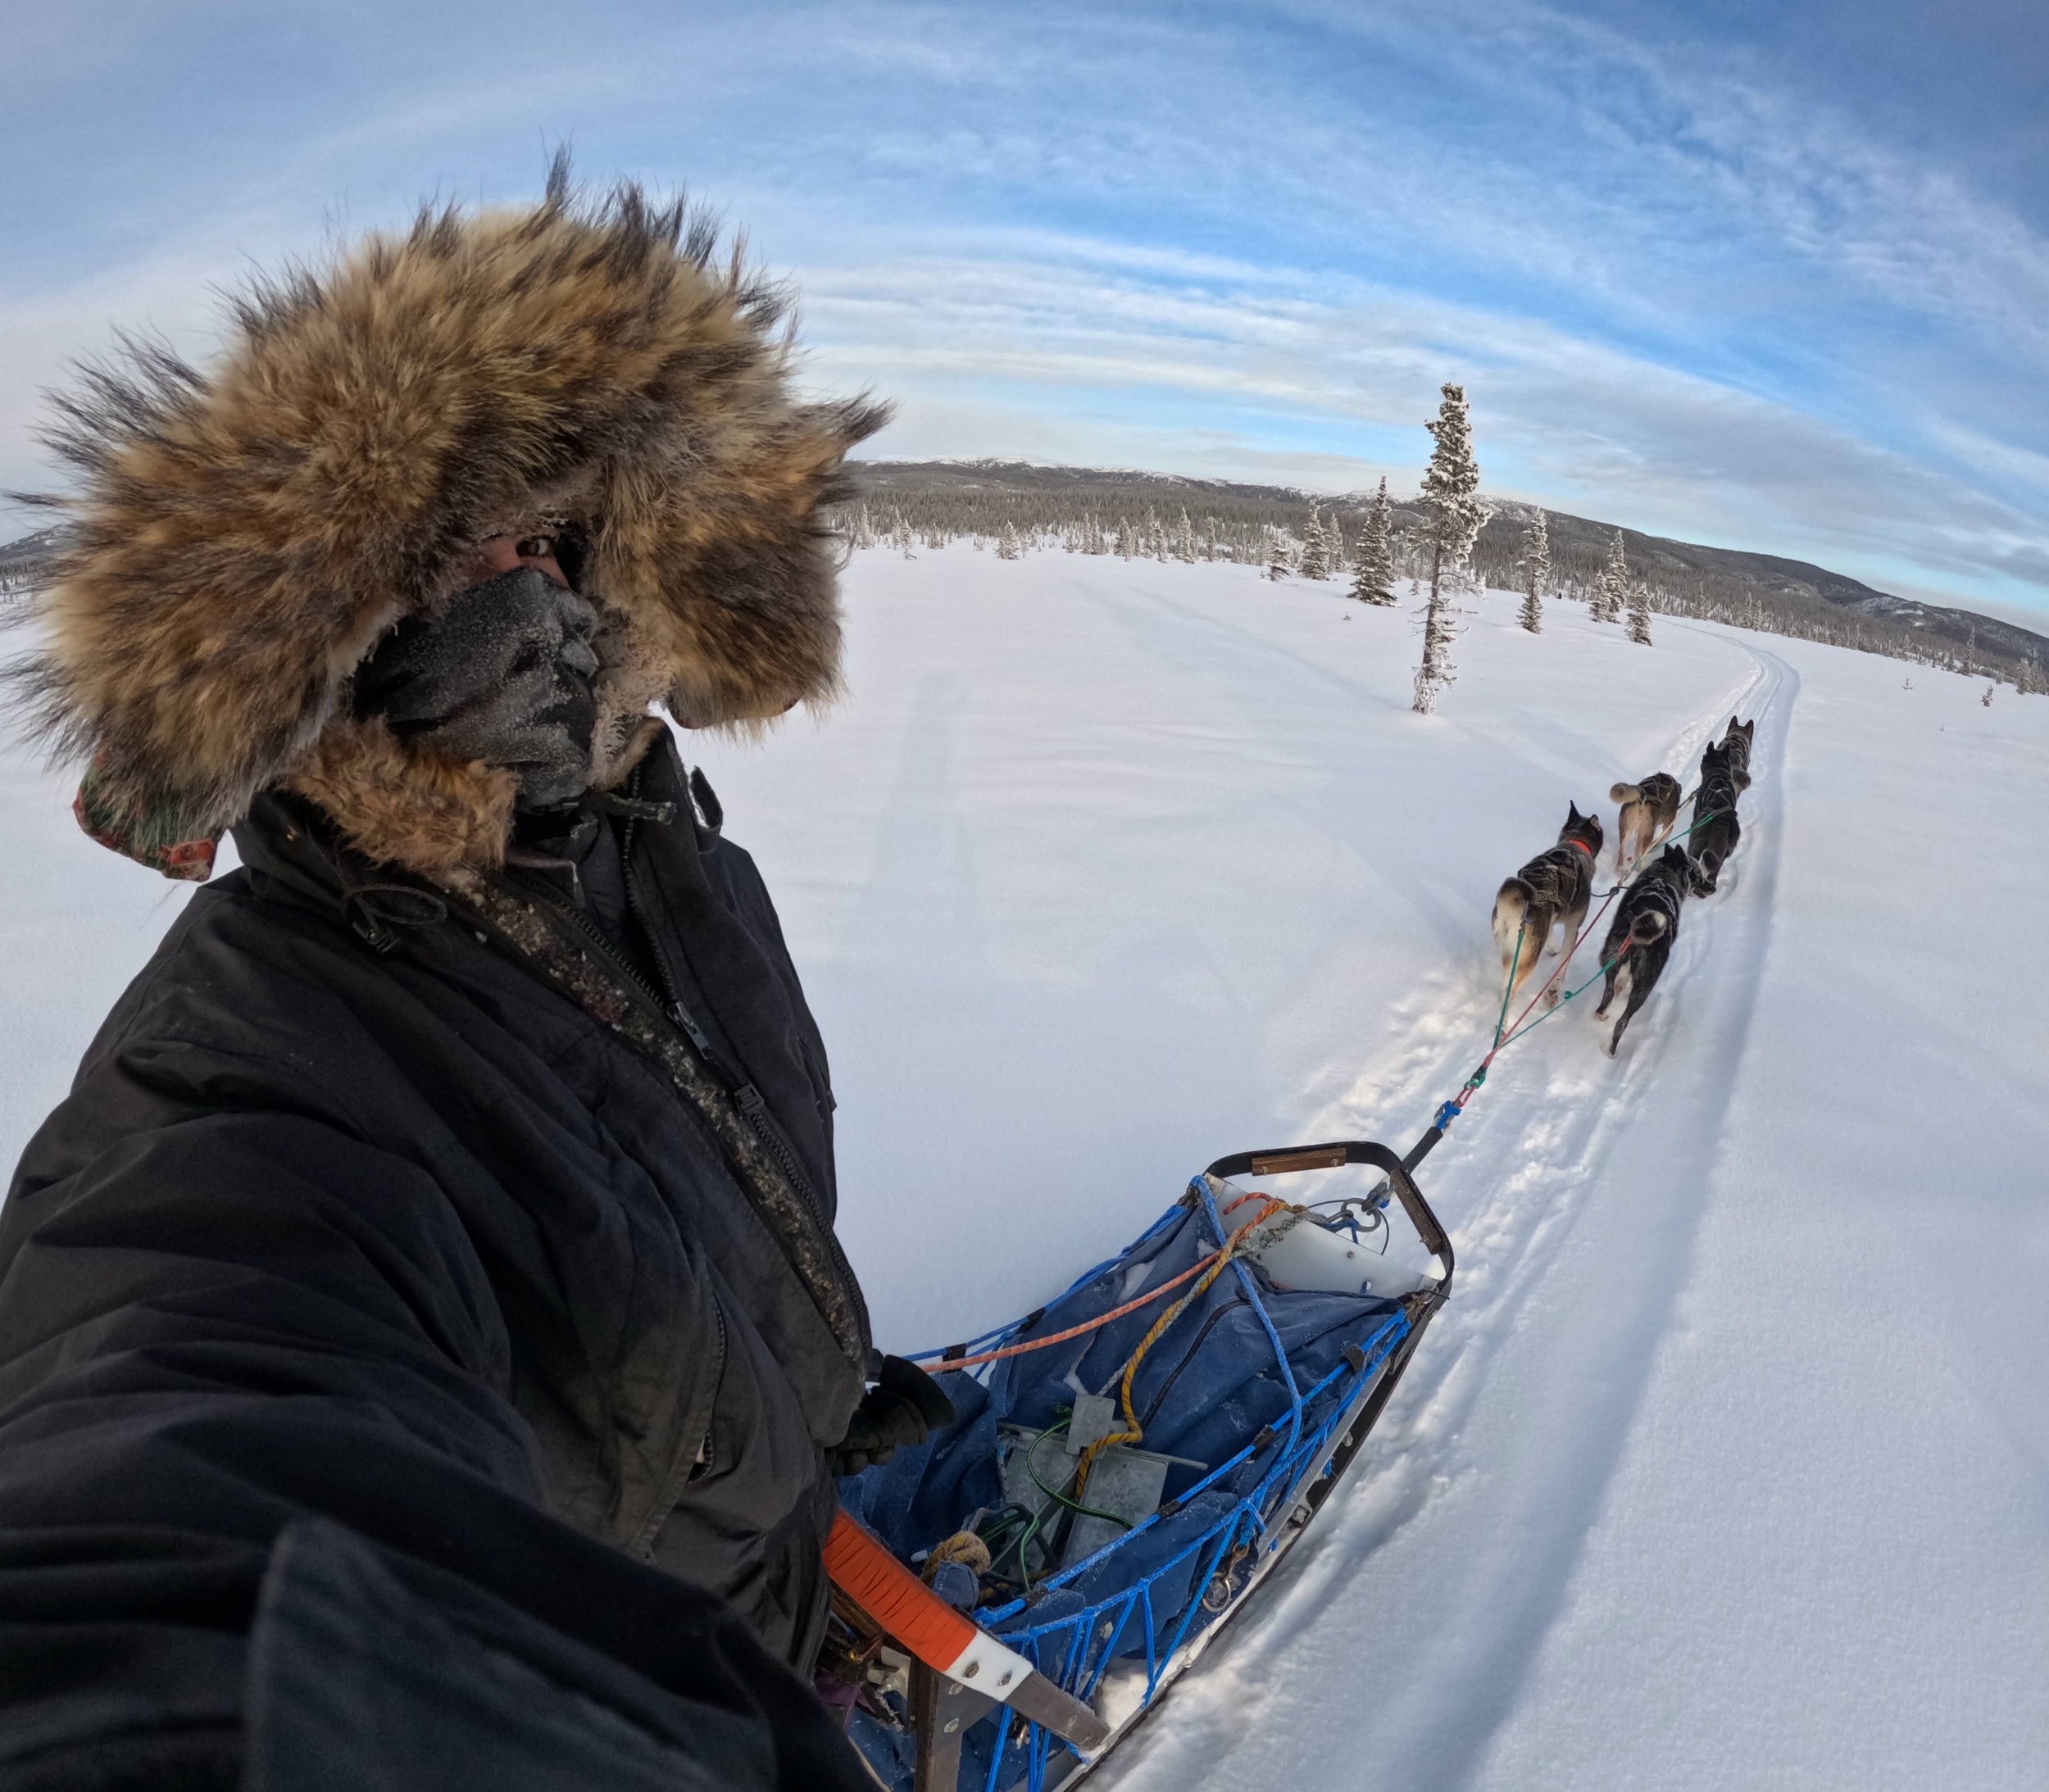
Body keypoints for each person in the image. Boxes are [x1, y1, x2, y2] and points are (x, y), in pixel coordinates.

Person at [0, 164, 947, 1790]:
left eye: (557, 539)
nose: (528, 596)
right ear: (317, 637)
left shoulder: (663, 853)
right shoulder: (260, 1048)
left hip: (786, 1589)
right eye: (449, 558)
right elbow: (177, 1404)